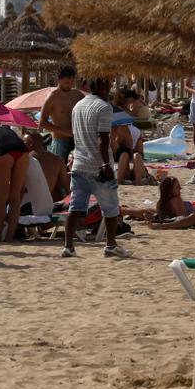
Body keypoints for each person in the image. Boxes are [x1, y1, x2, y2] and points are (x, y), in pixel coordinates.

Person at [64, 79, 131, 258]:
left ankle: (68, 246)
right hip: (97, 166)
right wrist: (106, 165)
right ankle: (111, 245)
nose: (111, 87)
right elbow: (103, 139)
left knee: (75, 207)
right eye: (108, 85)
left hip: (79, 163)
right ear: (102, 86)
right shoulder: (104, 107)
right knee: (110, 208)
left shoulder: (77, 106)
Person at [0, 125, 32, 241]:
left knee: (1, 199)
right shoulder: (9, 133)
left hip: (2, 153)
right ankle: (9, 237)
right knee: (15, 199)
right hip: (22, 152)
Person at [40, 65, 83, 162]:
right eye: (67, 82)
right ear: (59, 80)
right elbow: (42, 122)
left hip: (77, 140)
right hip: (60, 141)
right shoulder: (52, 98)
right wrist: (65, 131)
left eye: (72, 82)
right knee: (59, 171)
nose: (70, 85)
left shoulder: (77, 95)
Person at [112, 90, 151, 186]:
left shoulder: (119, 113)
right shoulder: (133, 106)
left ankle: (125, 181)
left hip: (127, 134)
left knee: (129, 155)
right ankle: (137, 182)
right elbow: (138, 152)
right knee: (135, 155)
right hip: (133, 131)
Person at [27, 131, 70, 200]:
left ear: (31, 143)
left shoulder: (26, 159)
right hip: (49, 203)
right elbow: (65, 186)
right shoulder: (57, 159)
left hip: (29, 204)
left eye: (24, 143)